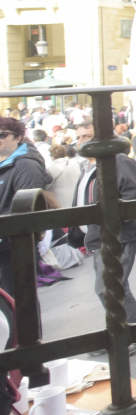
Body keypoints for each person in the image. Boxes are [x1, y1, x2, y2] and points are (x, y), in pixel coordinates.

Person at [76, 150, 136, 346]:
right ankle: (126, 329)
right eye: (80, 136)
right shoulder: (88, 166)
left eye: (87, 135)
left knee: (109, 287)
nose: (83, 140)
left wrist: (114, 222)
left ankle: (133, 329)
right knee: (113, 286)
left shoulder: (118, 160)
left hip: (118, 235)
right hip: (99, 236)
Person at [0, 118, 52, 294]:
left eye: (2, 135)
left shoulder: (26, 165)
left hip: (14, 247)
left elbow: (28, 210)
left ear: (18, 137)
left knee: (19, 303)